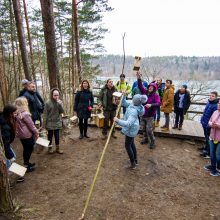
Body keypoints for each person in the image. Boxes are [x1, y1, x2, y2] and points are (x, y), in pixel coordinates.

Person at [114, 94, 147, 169]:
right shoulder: (133, 104)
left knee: (127, 146)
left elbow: (128, 124)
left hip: (131, 129)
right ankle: (135, 160)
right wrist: (123, 96)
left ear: (135, 101)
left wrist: (117, 120)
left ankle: (133, 164)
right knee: (131, 144)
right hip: (133, 128)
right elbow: (124, 103)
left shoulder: (134, 111)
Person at [0, 105, 24, 182]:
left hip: (5, 144)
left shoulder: (7, 118)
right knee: (9, 161)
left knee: (12, 157)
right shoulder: (4, 126)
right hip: (3, 145)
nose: (16, 114)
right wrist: (10, 156)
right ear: (9, 113)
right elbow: (5, 143)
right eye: (14, 113)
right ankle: (7, 180)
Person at [137, 72, 161, 148]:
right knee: (143, 128)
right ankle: (146, 139)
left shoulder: (156, 95)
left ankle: (153, 141)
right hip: (143, 114)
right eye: (149, 87)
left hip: (150, 116)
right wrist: (139, 78)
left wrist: (151, 105)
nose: (150, 88)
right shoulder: (145, 92)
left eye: (152, 87)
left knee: (149, 130)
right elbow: (140, 86)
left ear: (154, 89)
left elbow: (158, 103)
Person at [15, 97, 39, 172]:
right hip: (27, 134)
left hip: (21, 135)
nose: (28, 103)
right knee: (29, 148)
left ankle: (27, 163)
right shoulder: (25, 114)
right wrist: (36, 132)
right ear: (24, 104)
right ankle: (26, 165)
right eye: (26, 102)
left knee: (26, 148)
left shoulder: (16, 113)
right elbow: (31, 125)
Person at [43, 88, 64, 154]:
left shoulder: (60, 102)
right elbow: (45, 114)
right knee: (50, 136)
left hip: (57, 122)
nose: (56, 96)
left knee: (57, 136)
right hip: (50, 123)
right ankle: (50, 148)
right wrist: (44, 125)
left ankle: (58, 149)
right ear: (52, 95)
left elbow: (62, 112)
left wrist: (60, 104)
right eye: (55, 95)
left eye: (57, 95)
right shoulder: (47, 103)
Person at [200, 91, 219, 158]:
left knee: (209, 138)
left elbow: (215, 118)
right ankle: (206, 148)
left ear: (216, 97)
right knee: (206, 137)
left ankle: (208, 152)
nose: (210, 97)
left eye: (213, 96)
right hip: (204, 123)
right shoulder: (209, 102)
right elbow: (205, 112)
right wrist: (202, 120)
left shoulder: (216, 106)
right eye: (210, 95)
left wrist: (209, 125)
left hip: (209, 125)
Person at [204, 100, 220, 176]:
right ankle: (213, 166)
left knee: (218, 155)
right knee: (212, 153)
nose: (219, 104)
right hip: (212, 136)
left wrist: (218, 125)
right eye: (219, 103)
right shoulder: (215, 112)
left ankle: (218, 169)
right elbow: (209, 121)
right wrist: (211, 124)